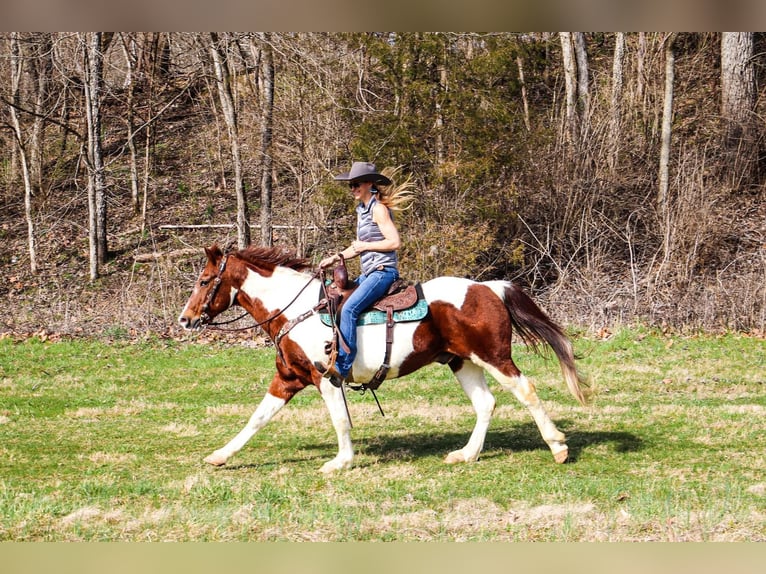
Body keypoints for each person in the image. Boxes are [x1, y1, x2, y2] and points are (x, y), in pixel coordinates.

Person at [315, 161, 413, 387]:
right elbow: (359, 245)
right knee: (337, 300)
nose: (353, 188)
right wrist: (334, 257)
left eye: (356, 184)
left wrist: (365, 247)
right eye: (350, 185)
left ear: (369, 183)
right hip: (369, 273)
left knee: (349, 308)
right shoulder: (362, 210)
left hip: (382, 272)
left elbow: (394, 242)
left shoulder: (378, 209)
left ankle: (342, 367)